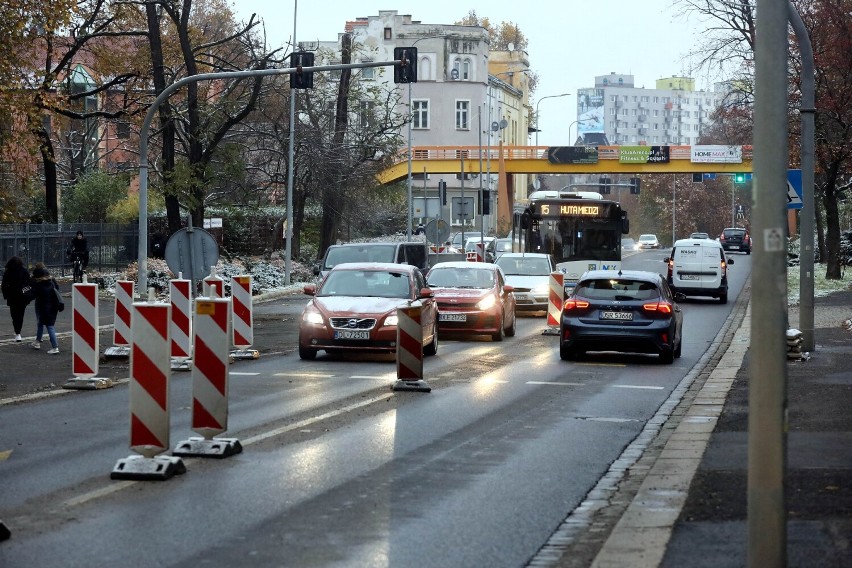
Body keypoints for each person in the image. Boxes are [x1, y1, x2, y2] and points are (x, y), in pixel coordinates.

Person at [30, 263, 63, 354]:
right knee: (48, 324)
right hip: (53, 306)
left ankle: (55, 347)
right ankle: (38, 341)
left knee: (47, 325)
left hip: (42, 307)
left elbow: (31, 293)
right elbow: (57, 289)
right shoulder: (51, 281)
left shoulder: (38, 285)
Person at [1, 256, 32, 342]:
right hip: (22, 297)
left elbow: (4, 285)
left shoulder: (8, 272)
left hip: (12, 296)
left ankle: (17, 331)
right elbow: (29, 283)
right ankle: (18, 333)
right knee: (20, 314)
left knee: (14, 314)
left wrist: (6, 295)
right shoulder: (24, 271)